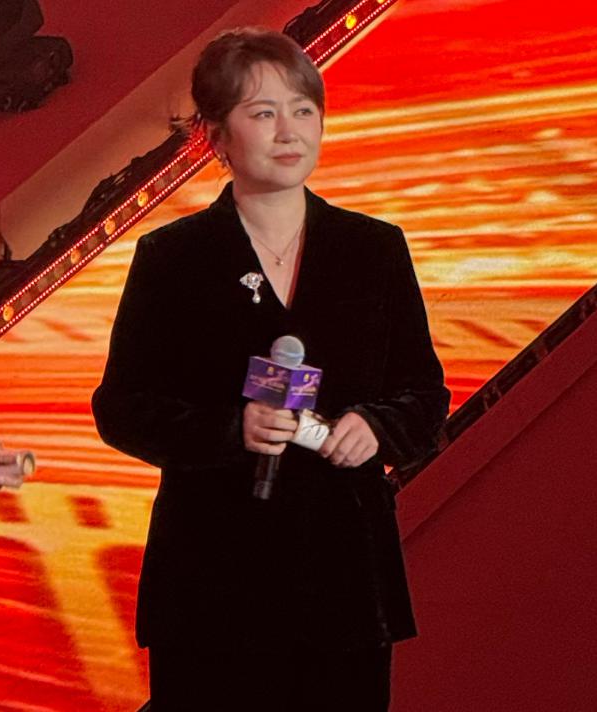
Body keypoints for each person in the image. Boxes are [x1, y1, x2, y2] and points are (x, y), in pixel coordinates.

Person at [92, 27, 450, 712]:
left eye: (303, 110)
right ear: (216, 136)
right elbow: (122, 406)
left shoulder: (373, 248)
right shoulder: (173, 257)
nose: (290, 132)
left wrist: (376, 427)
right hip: (211, 579)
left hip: (344, 578)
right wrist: (233, 430)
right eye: (263, 113)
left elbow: (424, 394)